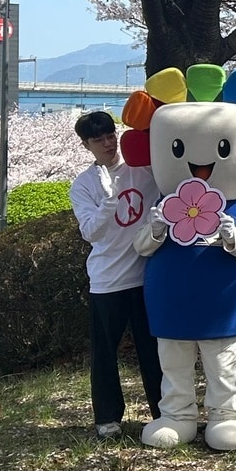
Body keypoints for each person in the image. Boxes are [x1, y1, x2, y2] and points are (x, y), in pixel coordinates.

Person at [69, 110, 164, 440]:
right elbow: (90, 233)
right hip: (107, 279)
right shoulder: (83, 185)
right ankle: (108, 417)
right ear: (86, 145)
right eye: (99, 139)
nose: (108, 143)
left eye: (111, 135)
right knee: (105, 352)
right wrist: (109, 201)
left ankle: (164, 411)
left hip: (146, 275)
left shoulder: (143, 169)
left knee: (152, 348)